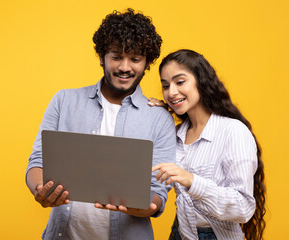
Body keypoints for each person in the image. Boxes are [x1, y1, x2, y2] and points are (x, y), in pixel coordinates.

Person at [26, 8, 176, 240]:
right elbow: (38, 161)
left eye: (135, 59)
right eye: (116, 56)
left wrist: (143, 207)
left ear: (146, 63)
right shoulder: (64, 100)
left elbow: (158, 193)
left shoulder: (159, 118)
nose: (125, 67)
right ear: (102, 57)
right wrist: (39, 190)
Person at [149, 49, 266, 240]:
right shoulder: (176, 134)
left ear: (201, 81)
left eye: (180, 82)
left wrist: (192, 181)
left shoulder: (233, 131)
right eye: (165, 85)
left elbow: (243, 208)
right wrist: (157, 115)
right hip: (180, 233)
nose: (171, 92)